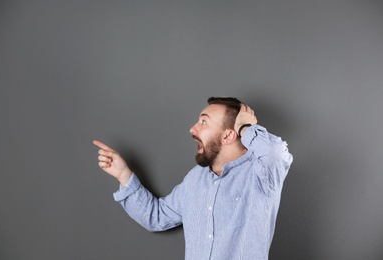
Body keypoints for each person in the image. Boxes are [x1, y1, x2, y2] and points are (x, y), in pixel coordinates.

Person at [93, 97, 293, 260]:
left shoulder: (259, 173)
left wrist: (246, 128)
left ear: (228, 136)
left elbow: (276, 153)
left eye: (204, 122)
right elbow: (157, 216)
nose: (192, 129)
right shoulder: (195, 180)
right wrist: (123, 174)